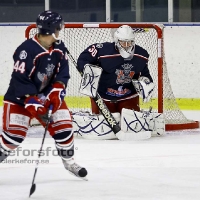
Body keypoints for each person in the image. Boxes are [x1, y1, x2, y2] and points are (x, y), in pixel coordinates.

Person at [0, 10, 87, 180]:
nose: (61, 29)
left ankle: (69, 162)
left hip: (46, 95)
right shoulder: (26, 50)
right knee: (13, 137)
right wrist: (32, 101)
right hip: (19, 99)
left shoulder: (59, 47)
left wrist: (57, 89)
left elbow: (63, 71)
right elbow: (19, 79)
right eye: (59, 27)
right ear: (53, 29)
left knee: (64, 127)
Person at [77, 25, 154, 115]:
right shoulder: (102, 51)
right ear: (117, 41)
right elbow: (83, 59)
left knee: (130, 124)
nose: (126, 46)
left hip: (128, 96)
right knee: (102, 126)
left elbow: (144, 73)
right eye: (123, 42)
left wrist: (146, 82)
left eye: (129, 42)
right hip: (102, 96)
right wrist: (87, 70)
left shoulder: (141, 55)